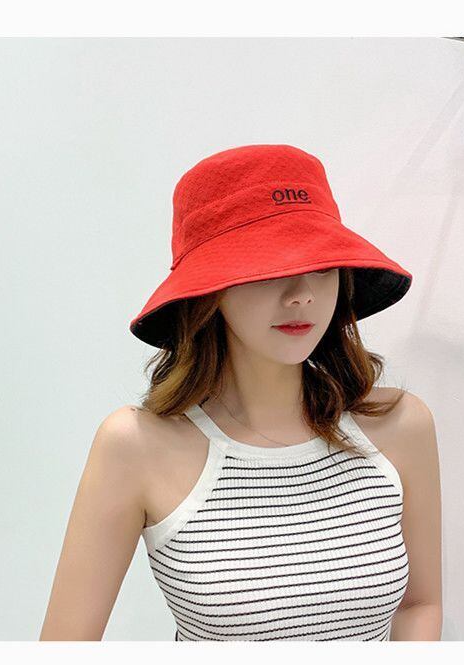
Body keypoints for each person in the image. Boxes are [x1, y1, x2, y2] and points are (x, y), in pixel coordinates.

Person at [40, 144, 442, 641]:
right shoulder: (136, 446)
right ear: (210, 291)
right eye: (268, 268)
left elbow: (420, 605)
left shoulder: (401, 427)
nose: (301, 293)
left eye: (321, 265)